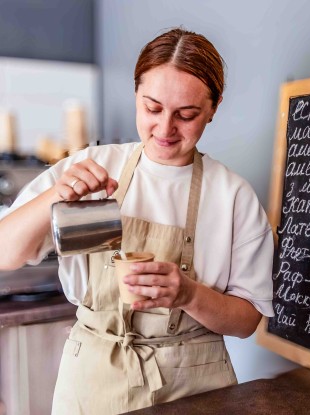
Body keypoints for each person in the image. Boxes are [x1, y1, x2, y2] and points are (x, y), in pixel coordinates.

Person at [0, 27, 274, 414]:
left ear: (213, 108)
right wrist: (55, 195)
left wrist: (189, 295)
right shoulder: (89, 168)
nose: (164, 129)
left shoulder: (233, 196)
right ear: (135, 95)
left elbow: (247, 320)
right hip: (95, 381)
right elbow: (5, 253)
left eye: (187, 114)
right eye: (152, 108)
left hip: (196, 386)